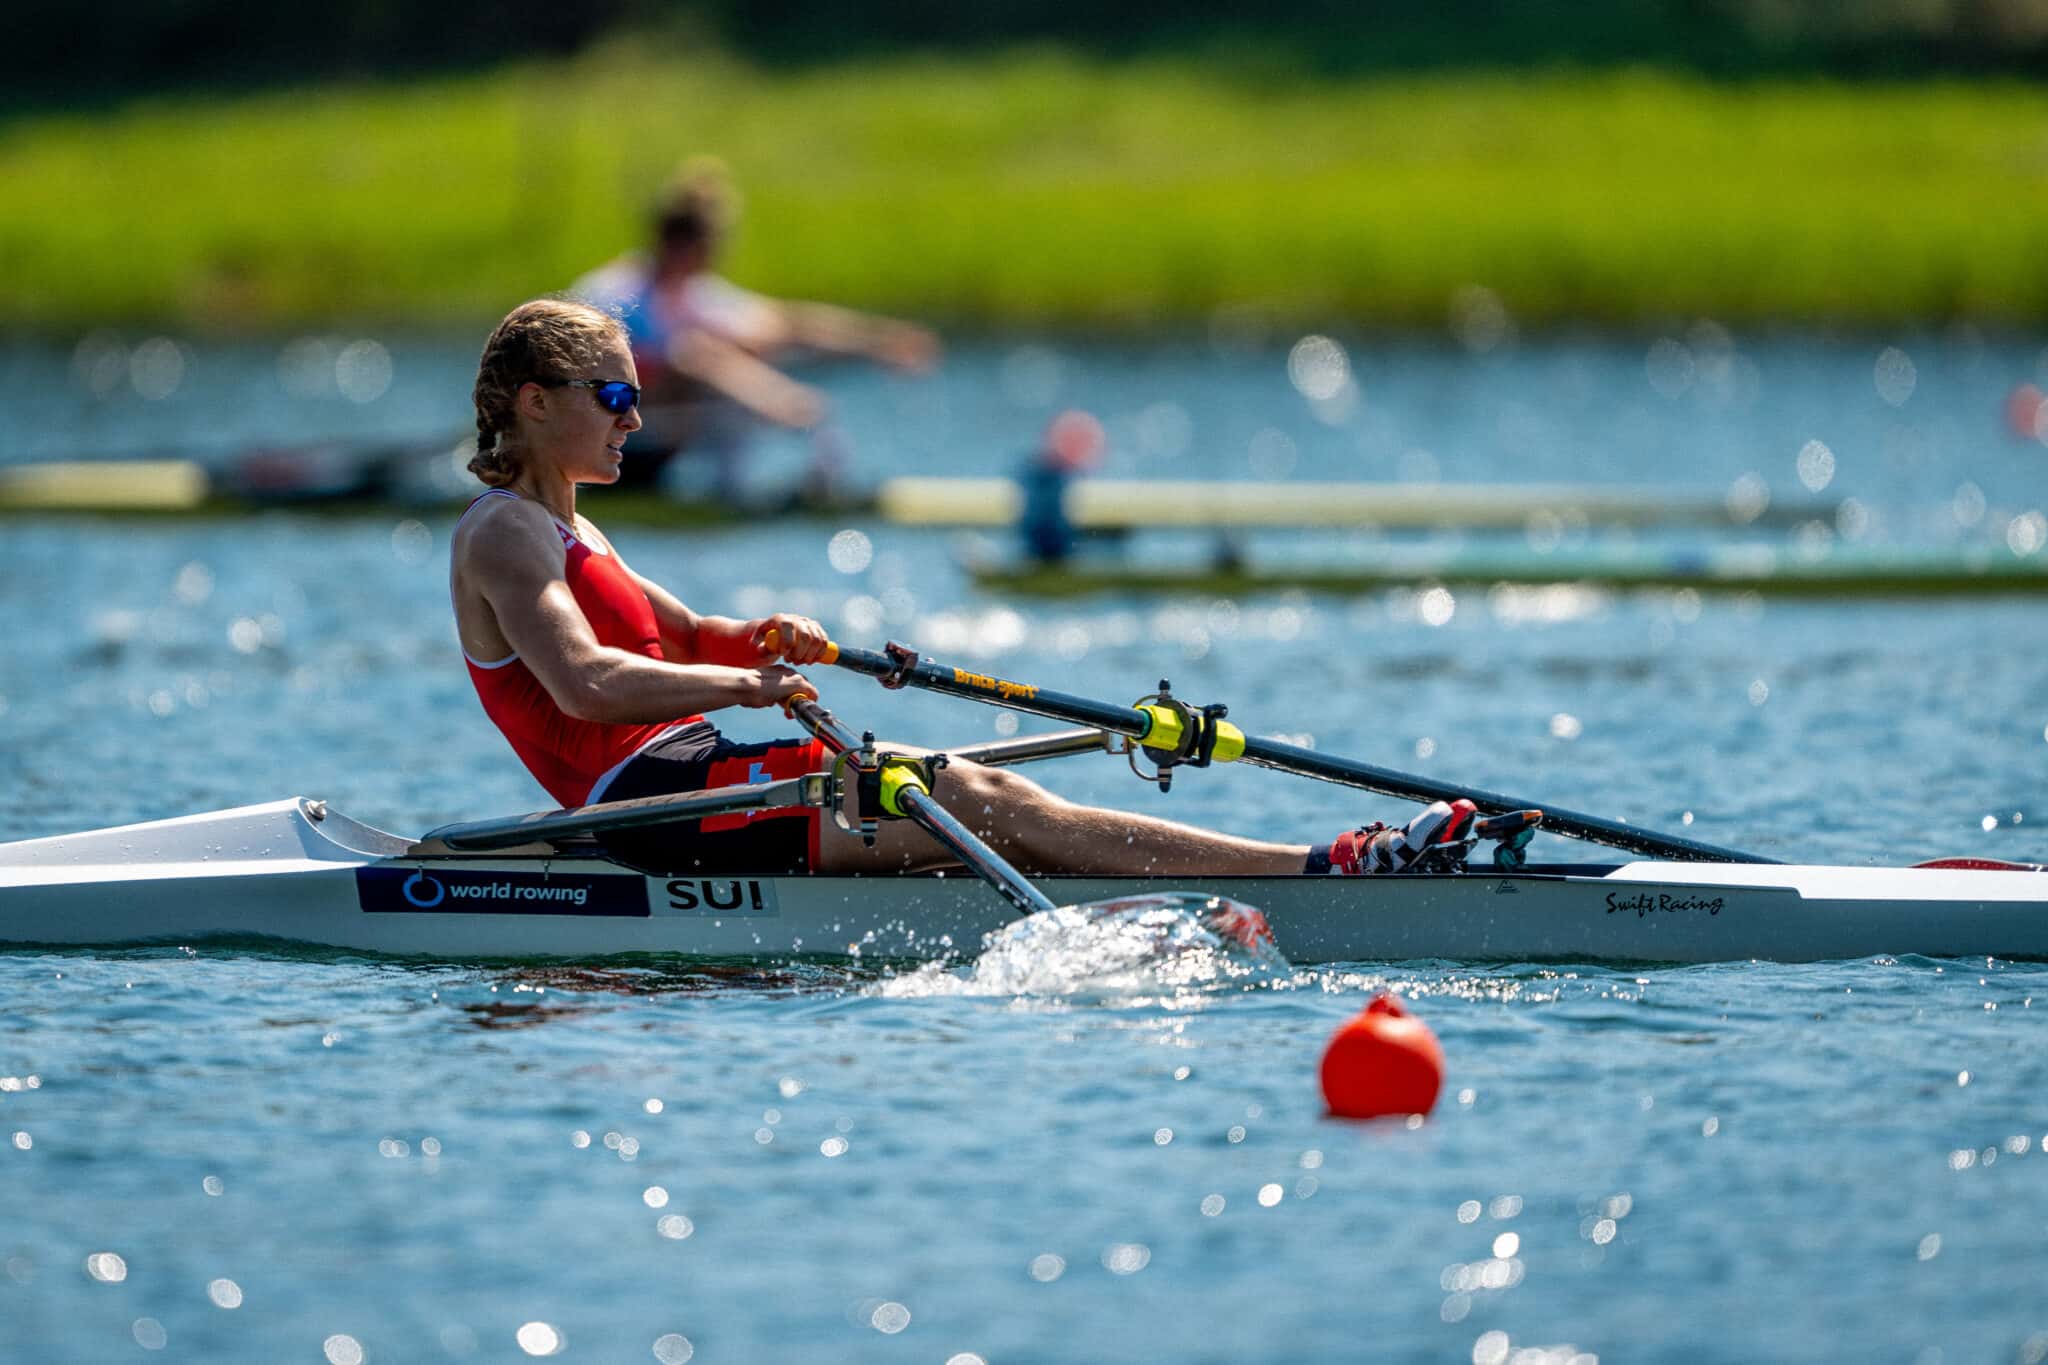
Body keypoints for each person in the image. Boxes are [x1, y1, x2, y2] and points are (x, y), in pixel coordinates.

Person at [451, 299, 1473, 879]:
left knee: (982, 799)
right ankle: (1318, 870)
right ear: (536, 404)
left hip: (706, 777)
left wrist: (765, 637)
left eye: (635, 397)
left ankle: (1293, 867)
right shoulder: (501, 532)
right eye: (614, 396)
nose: (634, 420)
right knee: (980, 797)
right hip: (650, 806)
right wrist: (745, 688)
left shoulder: (572, 525)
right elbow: (586, 683)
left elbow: (686, 632)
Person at [571, 159, 939, 493]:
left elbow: (786, 325)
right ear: (685, 244)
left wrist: (878, 342)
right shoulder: (615, 294)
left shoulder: (698, 295)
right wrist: (772, 398)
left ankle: (736, 485)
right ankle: (793, 419)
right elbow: (612, 368)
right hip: (603, 437)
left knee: (747, 342)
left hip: (659, 437)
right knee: (696, 353)